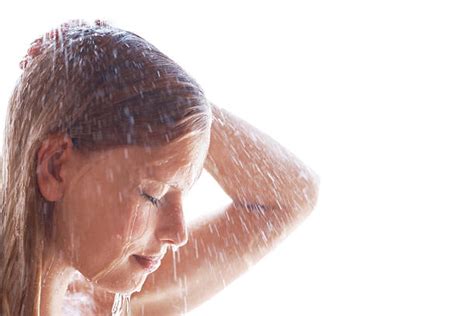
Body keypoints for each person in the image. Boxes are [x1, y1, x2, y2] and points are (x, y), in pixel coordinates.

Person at [0, 19, 319, 315]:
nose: (178, 232)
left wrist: (168, 97)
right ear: (56, 167)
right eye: (153, 195)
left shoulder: (89, 302)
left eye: (182, 193)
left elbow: (290, 196)